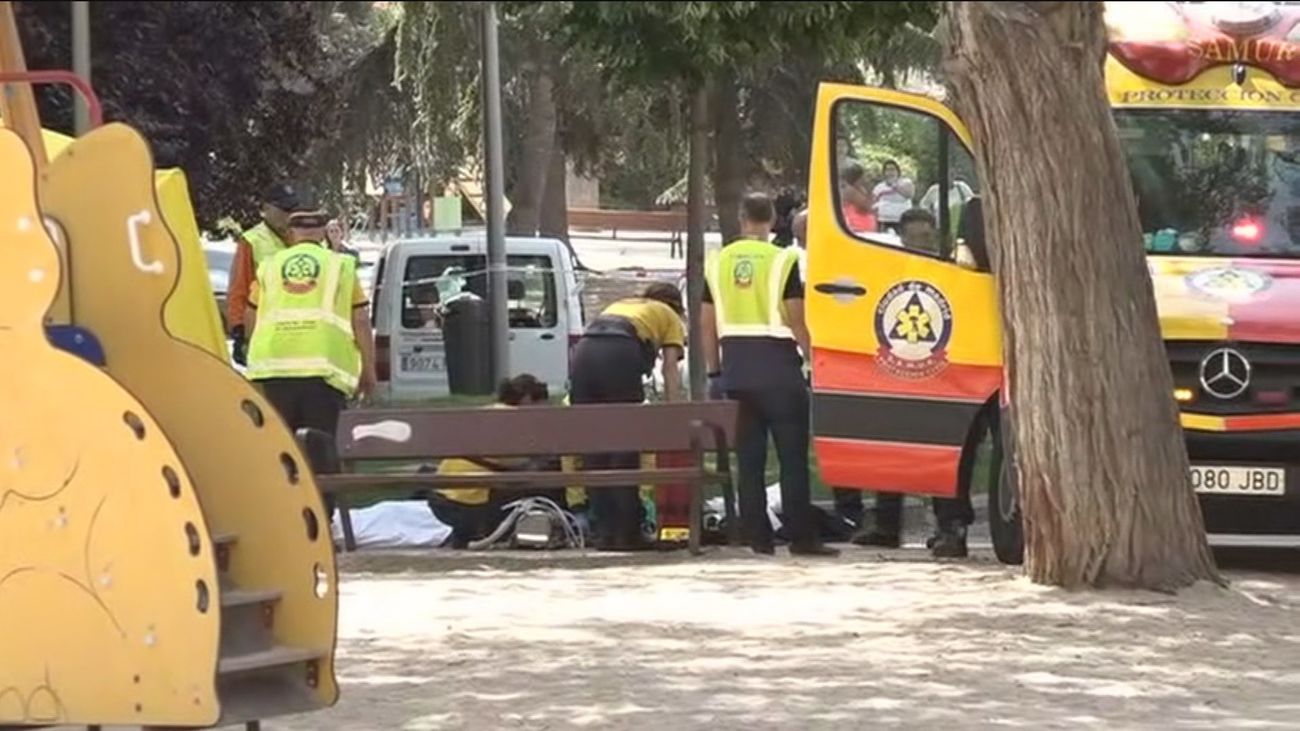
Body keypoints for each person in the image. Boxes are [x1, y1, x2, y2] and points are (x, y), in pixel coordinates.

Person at [702, 193, 838, 557]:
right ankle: (802, 538)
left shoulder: (717, 263)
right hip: (779, 372)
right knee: (792, 459)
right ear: (773, 218)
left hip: (736, 371)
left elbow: (706, 322)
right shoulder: (784, 260)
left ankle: (758, 537)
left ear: (741, 217)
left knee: (749, 461)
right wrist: (813, 361)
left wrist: (714, 370)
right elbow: (796, 318)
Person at [245, 202, 378, 441]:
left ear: (290, 233)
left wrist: (252, 348)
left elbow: (251, 314)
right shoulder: (340, 265)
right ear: (322, 232)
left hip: (274, 367)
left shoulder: (270, 266)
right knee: (320, 445)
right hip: (323, 369)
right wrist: (368, 369)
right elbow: (360, 319)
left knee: (281, 447)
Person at [569, 281, 687, 550]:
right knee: (624, 448)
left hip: (584, 353)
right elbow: (670, 369)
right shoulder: (669, 316)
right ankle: (628, 532)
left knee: (594, 450)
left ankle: (604, 532)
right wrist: (675, 413)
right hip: (620, 353)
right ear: (677, 306)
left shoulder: (624, 305)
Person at [429, 374, 552, 549]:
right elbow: (514, 462)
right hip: (466, 503)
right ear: (527, 399)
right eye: (541, 406)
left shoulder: (489, 410)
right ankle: (509, 535)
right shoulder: (515, 419)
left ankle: (468, 536)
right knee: (537, 486)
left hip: (439, 496)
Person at [227, 182, 300, 366]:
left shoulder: (302, 237)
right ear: (266, 208)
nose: (288, 214)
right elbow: (239, 288)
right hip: (265, 334)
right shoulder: (252, 241)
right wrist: (239, 331)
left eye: (292, 208)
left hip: (301, 333)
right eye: (283, 209)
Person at [872, 160, 916, 233]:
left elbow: (909, 194)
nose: (890, 172)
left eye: (892, 169)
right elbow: (873, 203)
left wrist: (894, 185)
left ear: (897, 171)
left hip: (902, 220)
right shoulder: (879, 187)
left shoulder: (906, 182)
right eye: (887, 170)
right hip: (884, 221)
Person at [840, 163, 879, 234]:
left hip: (866, 227)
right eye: (864, 175)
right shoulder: (849, 190)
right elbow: (867, 206)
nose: (866, 178)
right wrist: (870, 190)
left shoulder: (861, 188)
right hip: (857, 227)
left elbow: (873, 202)